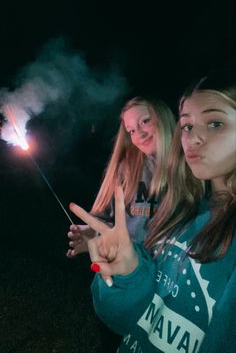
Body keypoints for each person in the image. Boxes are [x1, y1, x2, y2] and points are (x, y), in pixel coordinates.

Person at [69, 70, 236, 353]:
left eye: (215, 123)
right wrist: (116, 260)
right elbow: (136, 318)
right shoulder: (141, 178)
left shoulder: (193, 188)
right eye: (188, 126)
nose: (194, 138)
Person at [67, 96, 176, 257]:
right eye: (131, 130)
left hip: (166, 275)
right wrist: (93, 233)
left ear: (164, 117)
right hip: (122, 267)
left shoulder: (193, 169)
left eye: (145, 121)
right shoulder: (126, 169)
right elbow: (106, 219)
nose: (138, 133)